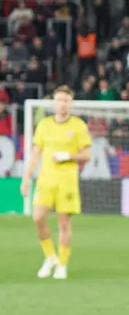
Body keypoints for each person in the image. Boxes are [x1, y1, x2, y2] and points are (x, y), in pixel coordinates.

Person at [21, 86, 93, 279]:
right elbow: (35, 153)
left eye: (66, 100)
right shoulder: (44, 125)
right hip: (46, 179)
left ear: (71, 103)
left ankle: (62, 264)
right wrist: (26, 179)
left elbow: (87, 154)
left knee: (63, 224)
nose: (62, 104)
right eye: (59, 100)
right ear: (54, 102)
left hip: (67, 181)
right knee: (38, 218)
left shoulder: (78, 126)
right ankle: (50, 256)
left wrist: (68, 155)